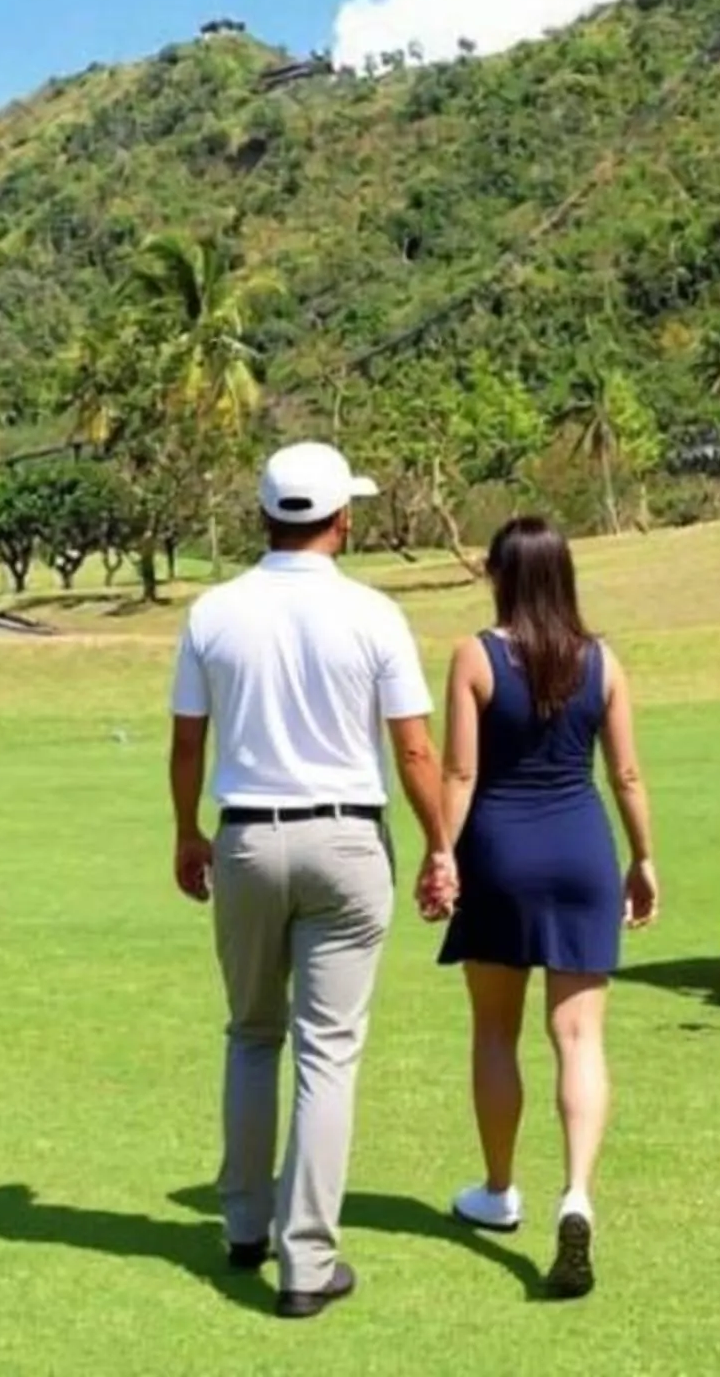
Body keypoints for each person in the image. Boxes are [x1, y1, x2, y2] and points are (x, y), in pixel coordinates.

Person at [168, 441, 455, 1322]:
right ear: (343, 518)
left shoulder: (212, 611)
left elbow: (189, 744)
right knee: (327, 1054)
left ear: (264, 515)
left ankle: (246, 1228)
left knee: (253, 1036)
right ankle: (307, 1260)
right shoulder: (375, 614)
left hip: (248, 840)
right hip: (347, 842)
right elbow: (413, 749)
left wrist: (187, 834)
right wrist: (443, 844)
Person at [436, 515, 657, 1301]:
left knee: (496, 1030)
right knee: (579, 1036)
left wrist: (440, 854)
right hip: (582, 853)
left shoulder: (476, 654)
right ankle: (577, 1194)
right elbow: (626, 777)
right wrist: (645, 859)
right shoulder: (603, 662)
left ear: (499, 574)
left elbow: (459, 774)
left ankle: (499, 1192)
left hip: (498, 854)